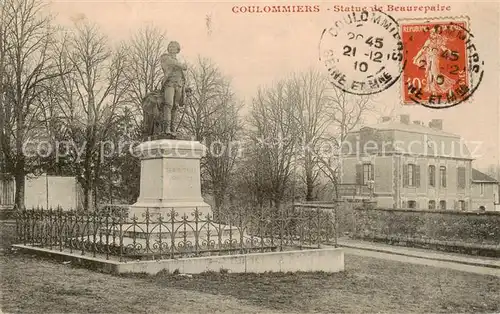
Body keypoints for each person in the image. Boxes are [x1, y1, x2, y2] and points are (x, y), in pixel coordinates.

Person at [412, 26, 456, 95]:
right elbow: (422, 50)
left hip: (434, 59)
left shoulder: (439, 40)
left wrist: (448, 51)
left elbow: (443, 47)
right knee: (430, 74)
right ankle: (433, 89)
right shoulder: (428, 41)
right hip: (428, 58)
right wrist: (416, 58)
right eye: (432, 33)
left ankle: (445, 86)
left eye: (434, 33)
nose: (432, 34)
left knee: (435, 73)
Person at [160, 41, 187, 134]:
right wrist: (182, 66)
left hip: (179, 85)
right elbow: (170, 63)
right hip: (169, 84)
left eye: (174, 47)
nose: (171, 48)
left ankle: (173, 129)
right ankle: (166, 129)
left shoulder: (178, 62)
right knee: (168, 104)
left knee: (175, 106)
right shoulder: (165, 57)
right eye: (170, 47)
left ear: (177, 49)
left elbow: (183, 77)